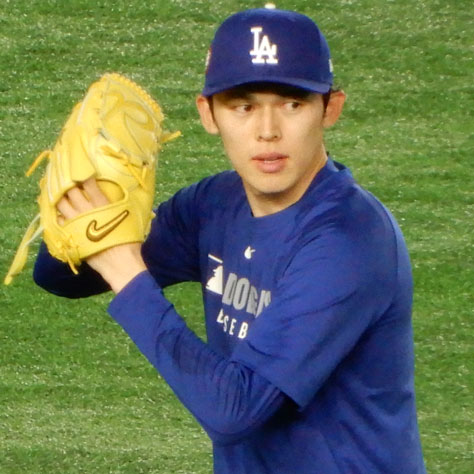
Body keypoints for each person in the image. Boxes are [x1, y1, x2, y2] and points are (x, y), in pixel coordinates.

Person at [33, 6, 426, 473]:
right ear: (208, 113)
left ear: (330, 108)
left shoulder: (349, 242)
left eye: (292, 104)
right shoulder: (215, 204)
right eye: (243, 106)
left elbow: (235, 409)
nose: (267, 131)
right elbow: (61, 277)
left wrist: (121, 262)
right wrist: (90, 199)